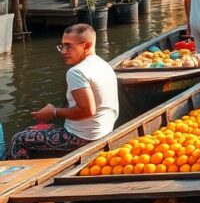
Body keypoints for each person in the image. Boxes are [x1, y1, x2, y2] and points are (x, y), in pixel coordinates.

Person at [8, 24, 118, 159]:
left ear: (87, 46)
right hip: (103, 131)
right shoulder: (104, 65)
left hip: (82, 137)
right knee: (30, 131)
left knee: (18, 139)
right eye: (62, 46)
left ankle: (19, 178)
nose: (63, 51)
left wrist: (53, 112)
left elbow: (87, 110)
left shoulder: (76, 72)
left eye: (69, 46)